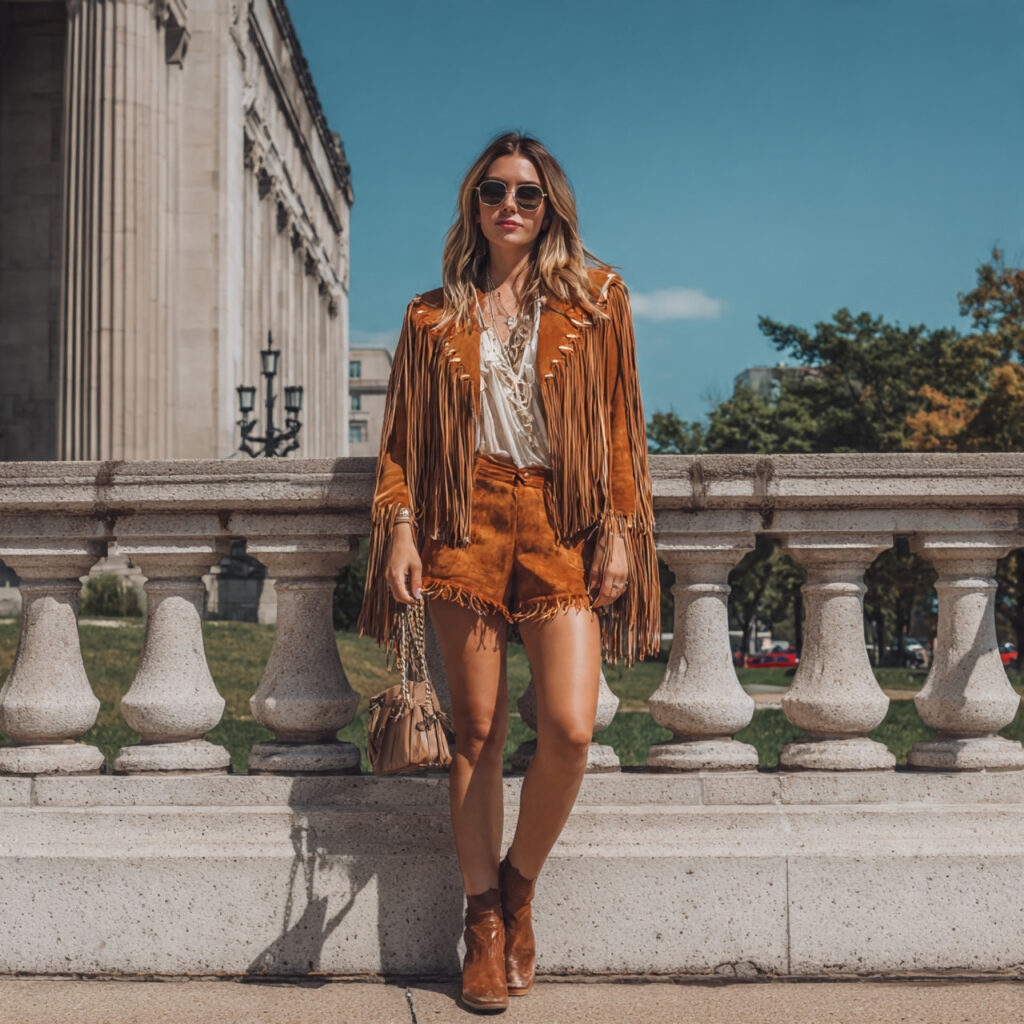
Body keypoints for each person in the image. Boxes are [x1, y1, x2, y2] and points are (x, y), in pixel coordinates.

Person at [357, 131, 660, 1013]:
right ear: (473, 204)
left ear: (550, 205)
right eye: (494, 191)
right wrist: (400, 530)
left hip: (563, 524)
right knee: (478, 733)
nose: (510, 207)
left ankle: (520, 883)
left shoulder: (598, 298)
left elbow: (621, 427)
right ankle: (483, 921)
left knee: (569, 726)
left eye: (528, 193)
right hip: (466, 521)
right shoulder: (429, 315)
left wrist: (619, 529)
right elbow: (400, 443)